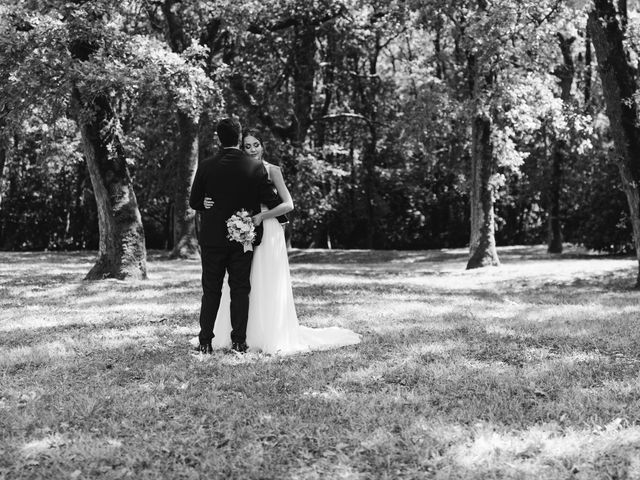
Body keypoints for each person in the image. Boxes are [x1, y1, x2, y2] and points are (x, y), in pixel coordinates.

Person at [199, 129, 361, 355]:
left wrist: (262, 216)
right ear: (241, 148)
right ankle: (242, 334)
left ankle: (270, 334)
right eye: (247, 146)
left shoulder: (272, 170)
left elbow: (288, 204)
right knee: (244, 284)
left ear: (263, 146)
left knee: (267, 281)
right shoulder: (239, 167)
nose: (252, 149)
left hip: (268, 228)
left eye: (256, 144)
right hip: (243, 232)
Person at [188, 118, 284, 354]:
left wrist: (205, 202)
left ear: (219, 138)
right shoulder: (254, 167)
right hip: (243, 237)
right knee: (240, 289)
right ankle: (239, 342)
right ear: (239, 137)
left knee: (211, 290)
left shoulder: (207, 165)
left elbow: (194, 201)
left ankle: (205, 342)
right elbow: (270, 198)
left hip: (212, 239)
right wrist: (278, 215)